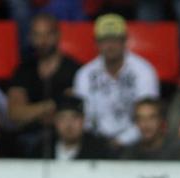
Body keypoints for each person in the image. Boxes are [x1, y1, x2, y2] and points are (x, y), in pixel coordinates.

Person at [74, 14, 159, 149]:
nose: (110, 45)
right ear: (96, 43)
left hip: (136, 143)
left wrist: (121, 141)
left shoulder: (144, 71)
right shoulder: (85, 75)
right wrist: (97, 143)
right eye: (105, 40)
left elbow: (149, 118)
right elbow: (84, 118)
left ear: (125, 41)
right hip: (95, 143)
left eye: (115, 40)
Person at [8, 12, 80, 158]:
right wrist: (52, 105)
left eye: (48, 34)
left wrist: (31, 112)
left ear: (58, 35)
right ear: (30, 37)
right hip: (26, 139)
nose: (42, 41)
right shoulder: (23, 70)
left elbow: (72, 115)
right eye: (37, 35)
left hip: (63, 138)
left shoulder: (74, 70)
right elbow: (15, 114)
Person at [33, 95, 115, 160]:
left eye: (75, 118)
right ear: (55, 122)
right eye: (62, 118)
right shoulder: (43, 148)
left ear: (83, 121)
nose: (69, 124)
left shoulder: (99, 150)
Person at [120, 97, 180, 161]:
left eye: (152, 118)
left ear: (161, 120)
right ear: (136, 123)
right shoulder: (130, 153)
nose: (146, 124)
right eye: (140, 119)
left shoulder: (178, 149)